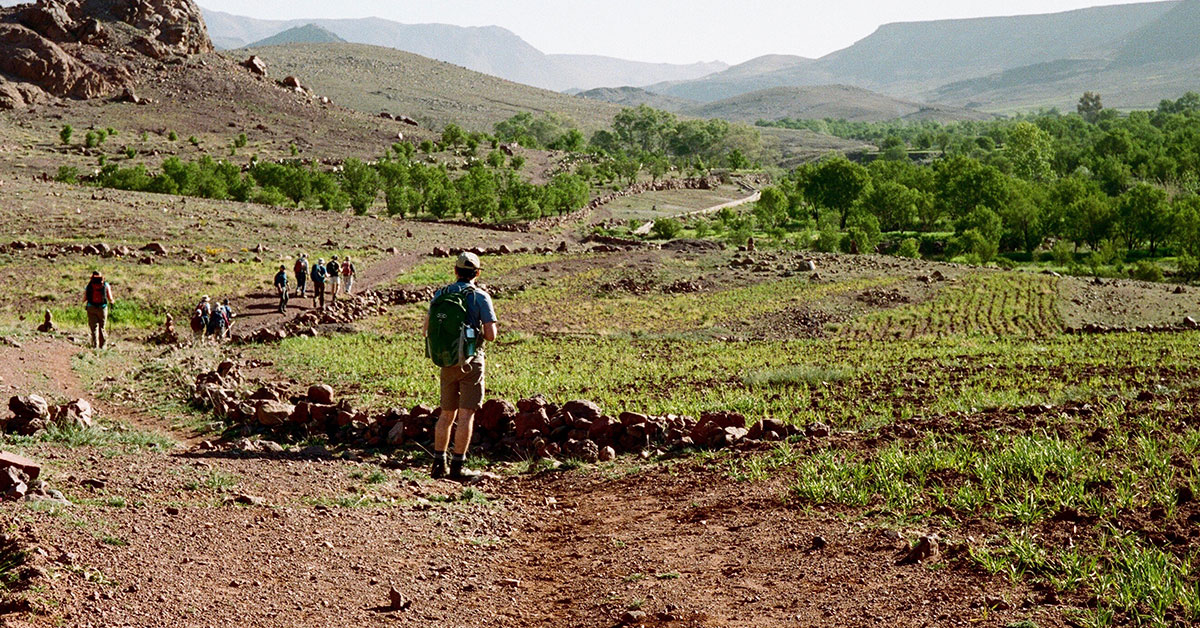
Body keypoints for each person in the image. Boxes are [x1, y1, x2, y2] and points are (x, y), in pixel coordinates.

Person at [424, 252, 498, 481]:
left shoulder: (441, 294)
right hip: (470, 361)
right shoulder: (480, 296)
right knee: (465, 415)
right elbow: (491, 335)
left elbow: (426, 329)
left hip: (446, 360)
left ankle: (438, 464)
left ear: (455, 271)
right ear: (477, 273)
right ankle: (458, 466)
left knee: (446, 414)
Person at [83, 271, 114, 349]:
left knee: (94, 328)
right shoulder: (105, 285)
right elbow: (110, 298)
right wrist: (112, 302)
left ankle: (95, 346)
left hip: (91, 308)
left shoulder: (89, 285)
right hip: (102, 308)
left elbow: (84, 298)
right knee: (102, 327)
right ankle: (103, 346)